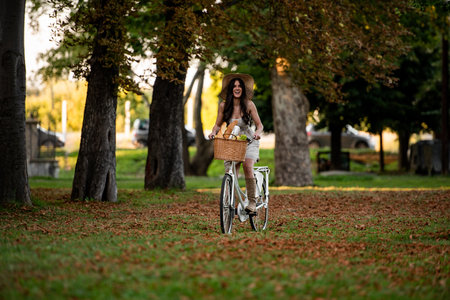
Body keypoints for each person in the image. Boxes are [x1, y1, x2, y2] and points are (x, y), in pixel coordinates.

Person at [208, 73, 263, 213]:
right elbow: (217, 125)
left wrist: (257, 133)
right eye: (234, 86)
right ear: (231, 90)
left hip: (249, 140)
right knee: (231, 171)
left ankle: (252, 201)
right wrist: (213, 132)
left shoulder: (249, 105)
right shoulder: (224, 106)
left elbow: (259, 125)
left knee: (247, 165)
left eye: (240, 86)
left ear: (243, 89)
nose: (237, 88)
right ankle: (230, 200)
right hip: (231, 140)